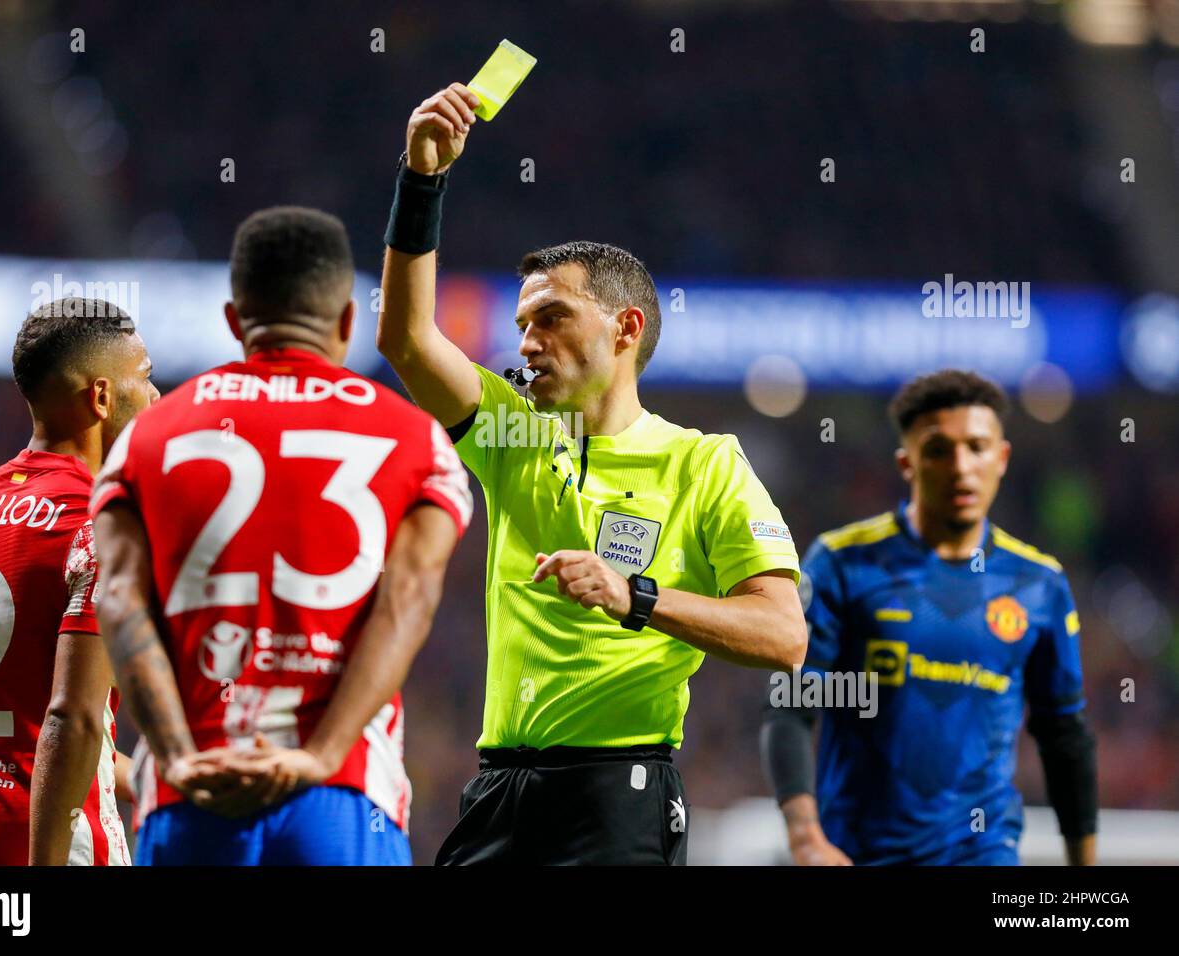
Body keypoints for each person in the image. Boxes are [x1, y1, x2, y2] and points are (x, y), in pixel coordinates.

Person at [377, 83, 807, 865]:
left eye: (551, 317)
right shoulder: (511, 431)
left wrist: (632, 594)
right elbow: (406, 338)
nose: (528, 339)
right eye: (521, 325)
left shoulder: (703, 463)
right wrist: (422, 179)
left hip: (620, 793)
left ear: (625, 328)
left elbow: (783, 635)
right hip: (499, 789)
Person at [91, 206, 471, 865]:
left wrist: (179, 757)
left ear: (235, 320)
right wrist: (319, 757)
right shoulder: (416, 441)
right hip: (345, 796)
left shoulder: (145, 438)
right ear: (348, 323)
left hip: (192, 793)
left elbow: (119, 602)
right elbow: (408, 600)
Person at [761, 369, 1097, 866]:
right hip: (855, 854)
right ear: (907, 463)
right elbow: (789, 708)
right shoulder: (843, 564)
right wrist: (806, 836)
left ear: (1001, 458)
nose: (961, 467)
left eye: (977, 447)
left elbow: (1064, 737)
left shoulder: (1039, 585)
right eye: (939, 449)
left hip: (984, 853)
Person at [0, 297, 158, 866]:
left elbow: (16, 723)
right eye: (145, 377)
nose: (156, 396)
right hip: (53, 842)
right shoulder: (102, 519)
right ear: (101, 397)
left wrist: (151, 778)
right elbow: (73, 718)